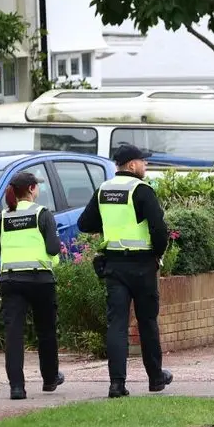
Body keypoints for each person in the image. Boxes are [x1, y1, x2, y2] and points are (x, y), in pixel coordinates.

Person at [78, 144, 174, 398]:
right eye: (143, 162)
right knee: (147, 322)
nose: (146, 166)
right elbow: (159, 230)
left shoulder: (103, 190)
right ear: (132, 165)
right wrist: (157, 254)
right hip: (142, 266)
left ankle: (117, 384)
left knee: (117, 324)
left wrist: (110, 223)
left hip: (114, 267)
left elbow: (84, 223)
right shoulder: (142, 191)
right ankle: (155, 378)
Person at [0, 171, 65, 400]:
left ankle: (17, 388)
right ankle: (50, 380)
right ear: (31, 189)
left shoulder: (3, 217)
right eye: (36, 186)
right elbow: (53, 249)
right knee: (46, 331)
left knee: (14, 334)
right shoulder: (43, 214)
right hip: (40, 280)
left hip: (11, 281)